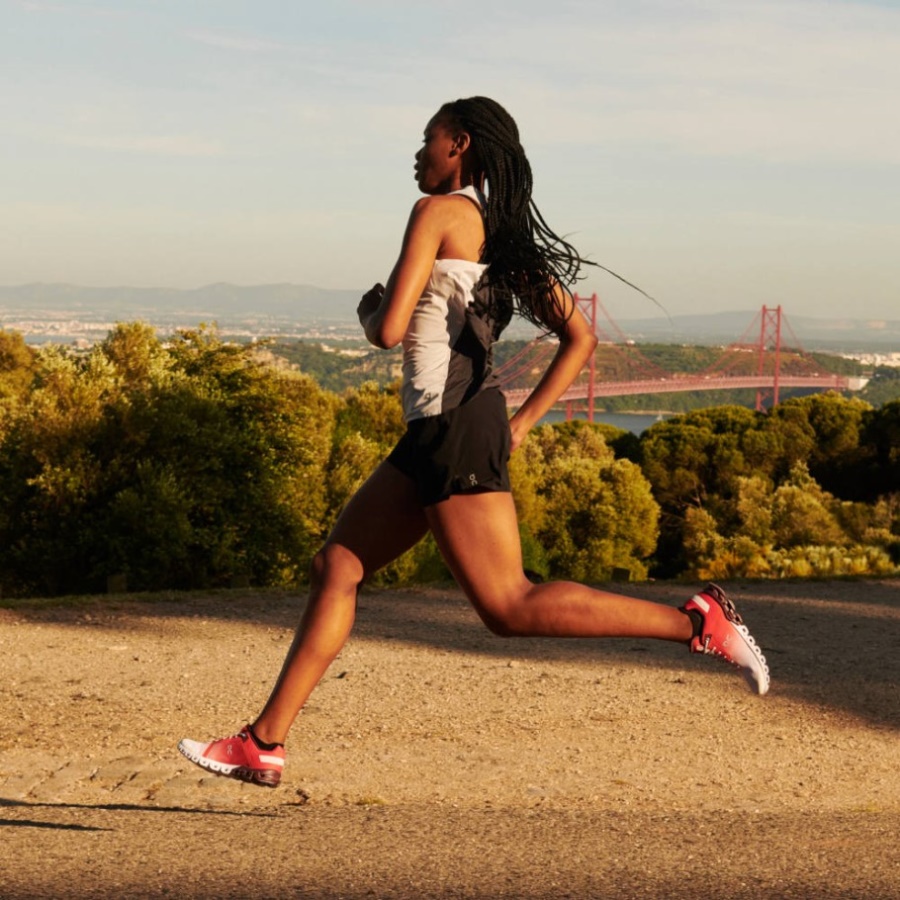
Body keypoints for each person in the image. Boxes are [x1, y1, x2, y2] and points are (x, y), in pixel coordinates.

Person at [178, 96, 769, 788]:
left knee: (508, 606)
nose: (417, 153)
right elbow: (582, 337)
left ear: (458, 144)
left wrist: (369, 308)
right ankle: (263, 743)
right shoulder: (503, 233)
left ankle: (697, 623)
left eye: (425, 140)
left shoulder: (437, 212)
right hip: (442, 430)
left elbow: (388, 330)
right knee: (337, 565)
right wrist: (519, 423)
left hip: (454, 428)